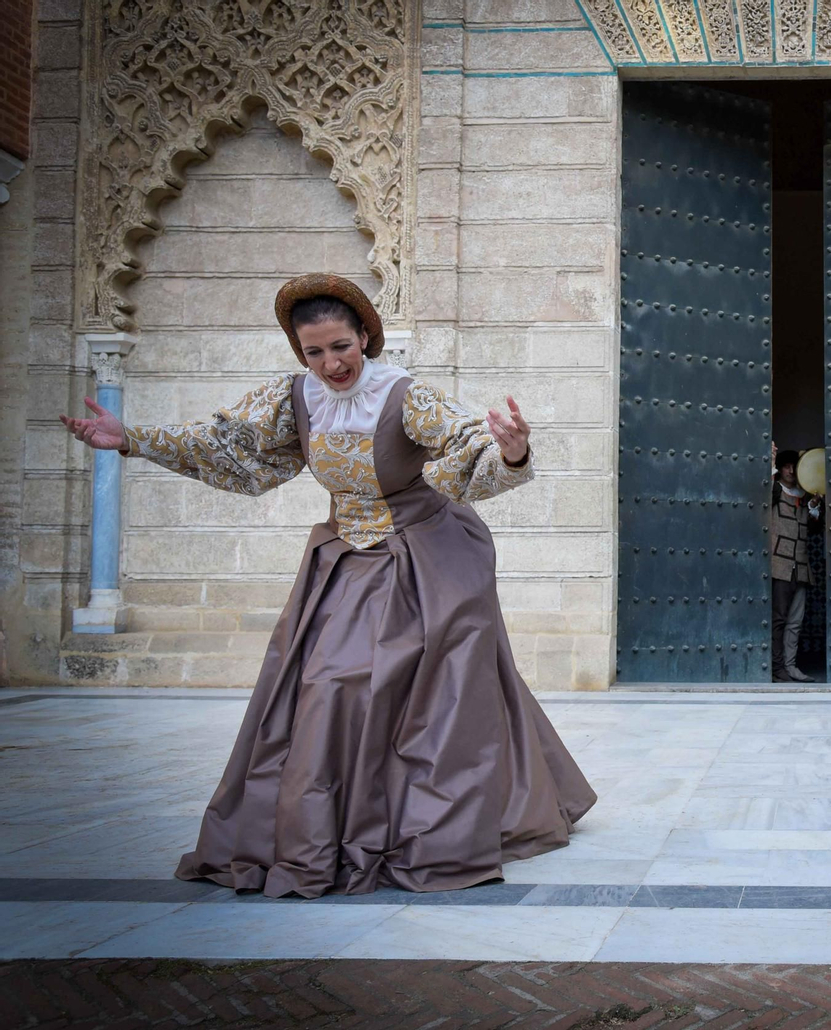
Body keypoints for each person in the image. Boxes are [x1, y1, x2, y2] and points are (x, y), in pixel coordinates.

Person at [60, 273, 596, 898]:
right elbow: (226, 445)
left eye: (340, 346)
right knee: (321, 681)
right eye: (314, 351)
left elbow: (464, 446)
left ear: (364, 336)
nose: (330, 363)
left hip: (428, 552)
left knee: (424, 686)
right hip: (344, 553)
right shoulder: (295, 399)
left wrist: (509, 451)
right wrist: (133, 439)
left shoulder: (403, 393)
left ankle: (421, 824)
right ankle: (334, 826)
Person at [771, 443, 822, 682]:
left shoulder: (806, 496)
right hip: (780, 565)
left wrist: (813, 507)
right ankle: (776, 667)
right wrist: (770, 461)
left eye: (794, 467)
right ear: (780, 470)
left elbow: (813, 528)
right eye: (787, 467)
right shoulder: (774, 491)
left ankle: (790, 667)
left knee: (795, 622)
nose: (791, 471)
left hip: (800, 567)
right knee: (779, 620)